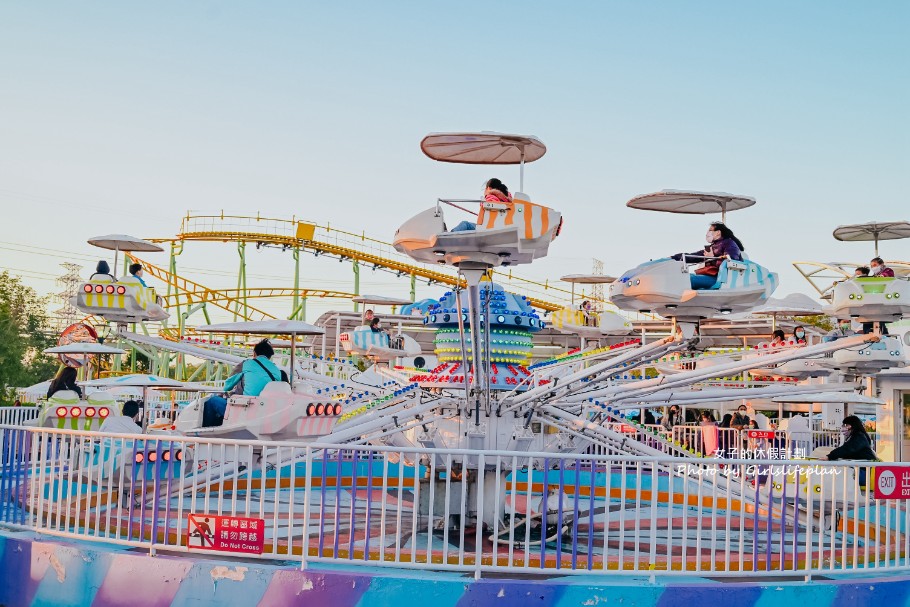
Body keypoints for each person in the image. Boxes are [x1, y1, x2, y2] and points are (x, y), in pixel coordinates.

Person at [203, 339, 285, 427]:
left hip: (246, 409)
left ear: (254, 353)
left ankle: (206, 434)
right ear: (269, 356)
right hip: (266, 411)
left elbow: (227, 386)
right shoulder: (277, 370)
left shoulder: (246, 364)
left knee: (213, 400)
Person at [672, 222, 745, 290]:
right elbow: (692, 256)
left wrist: (712, 257)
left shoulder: (729, 243)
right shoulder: (711, 247)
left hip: (720, 278)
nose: (707, 233)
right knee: (682, 277)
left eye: (710, 230)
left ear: (718, 232)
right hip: (710, 275)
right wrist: (673, 258)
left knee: (686, 279)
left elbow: (731, 261)